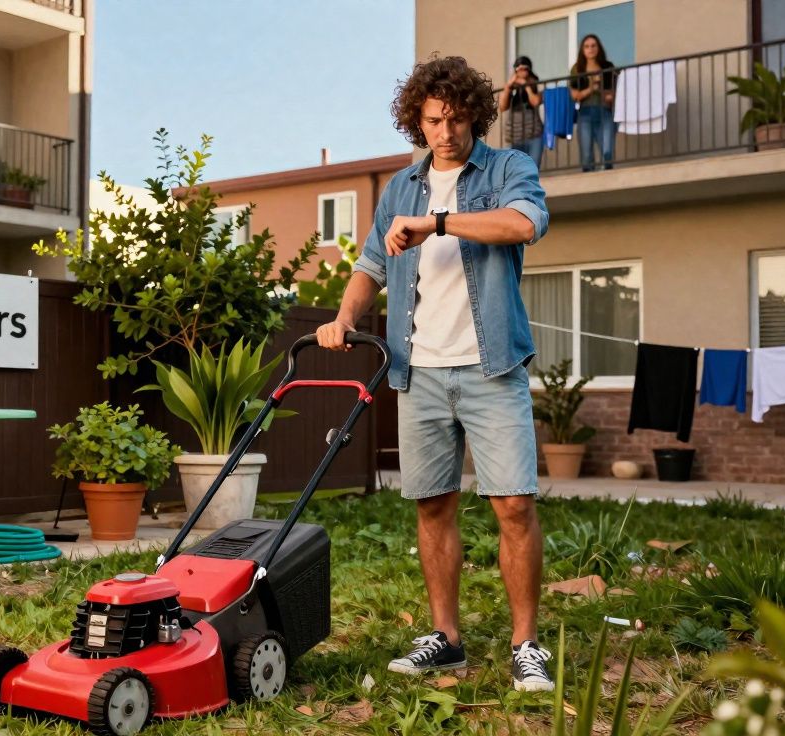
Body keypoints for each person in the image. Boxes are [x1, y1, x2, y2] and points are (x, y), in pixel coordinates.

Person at [315, 55, 554, 693]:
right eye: (431, 121)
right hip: (417, 371)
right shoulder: (399, 187)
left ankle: (526, 643)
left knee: (513, 505)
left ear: (474, 112)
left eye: (453, 118)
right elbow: (368, 264)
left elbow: (524, 223)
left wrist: (439, 223)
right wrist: (343, 318)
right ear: (415, 121)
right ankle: (446, 639)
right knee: (432, 506)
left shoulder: (508, 168)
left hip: (491, 363)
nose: (443, 133)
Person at [569, 35, 617, 171]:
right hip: (585, 113)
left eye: (593, 45)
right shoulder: (578, 69)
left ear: (598, 47)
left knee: (607, 152)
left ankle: (608, 181)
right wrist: (592, 88)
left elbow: (613, 95)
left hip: (605, 112)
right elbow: (575, 96)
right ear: (582, 50)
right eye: (587, 46)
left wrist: (600, 89)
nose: (590, 49)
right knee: (586, 156)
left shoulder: (607, 67)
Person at [498, 55, 544, 167]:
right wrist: (509, 86)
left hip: (534, 135)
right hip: (514, 137)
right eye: (519, 69)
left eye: (525, 69)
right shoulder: (511, 87)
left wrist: (526, 85)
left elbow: (535, 101)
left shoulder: (534, 84)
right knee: (516, 172)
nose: (522, 71)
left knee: (533, 169)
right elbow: (502, 106)